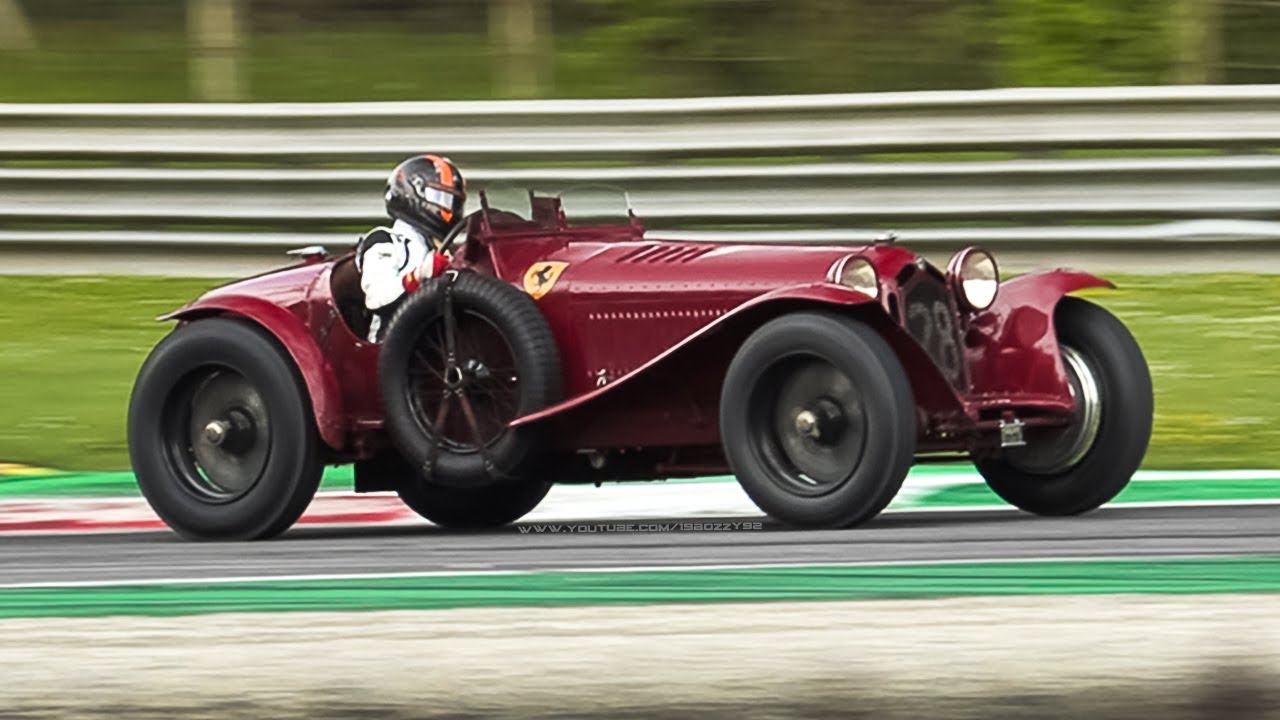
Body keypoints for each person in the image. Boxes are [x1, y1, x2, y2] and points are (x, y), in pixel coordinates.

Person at [356, 154, 466, 342]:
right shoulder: (384, 239)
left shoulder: (443, 247)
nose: (448, 208)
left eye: (451, 201)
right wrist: (417, 277)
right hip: (390, 345)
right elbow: (376, 298)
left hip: (435, 343)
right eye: (440, 197)